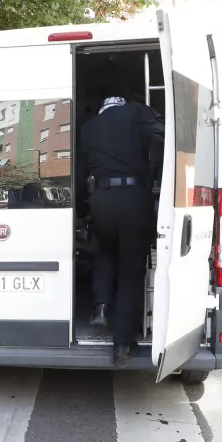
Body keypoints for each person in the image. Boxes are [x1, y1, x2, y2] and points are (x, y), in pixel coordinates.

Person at [77, 85, 164, 367]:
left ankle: (101, 305)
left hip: (101, 199)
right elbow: (160, 137)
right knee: (130, 270)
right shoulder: (137, 113)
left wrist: (82, 208)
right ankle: (123, 344)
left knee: (105, 247)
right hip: (134, 198)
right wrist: (156, 172)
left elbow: (80, 171)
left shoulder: (89, 127)